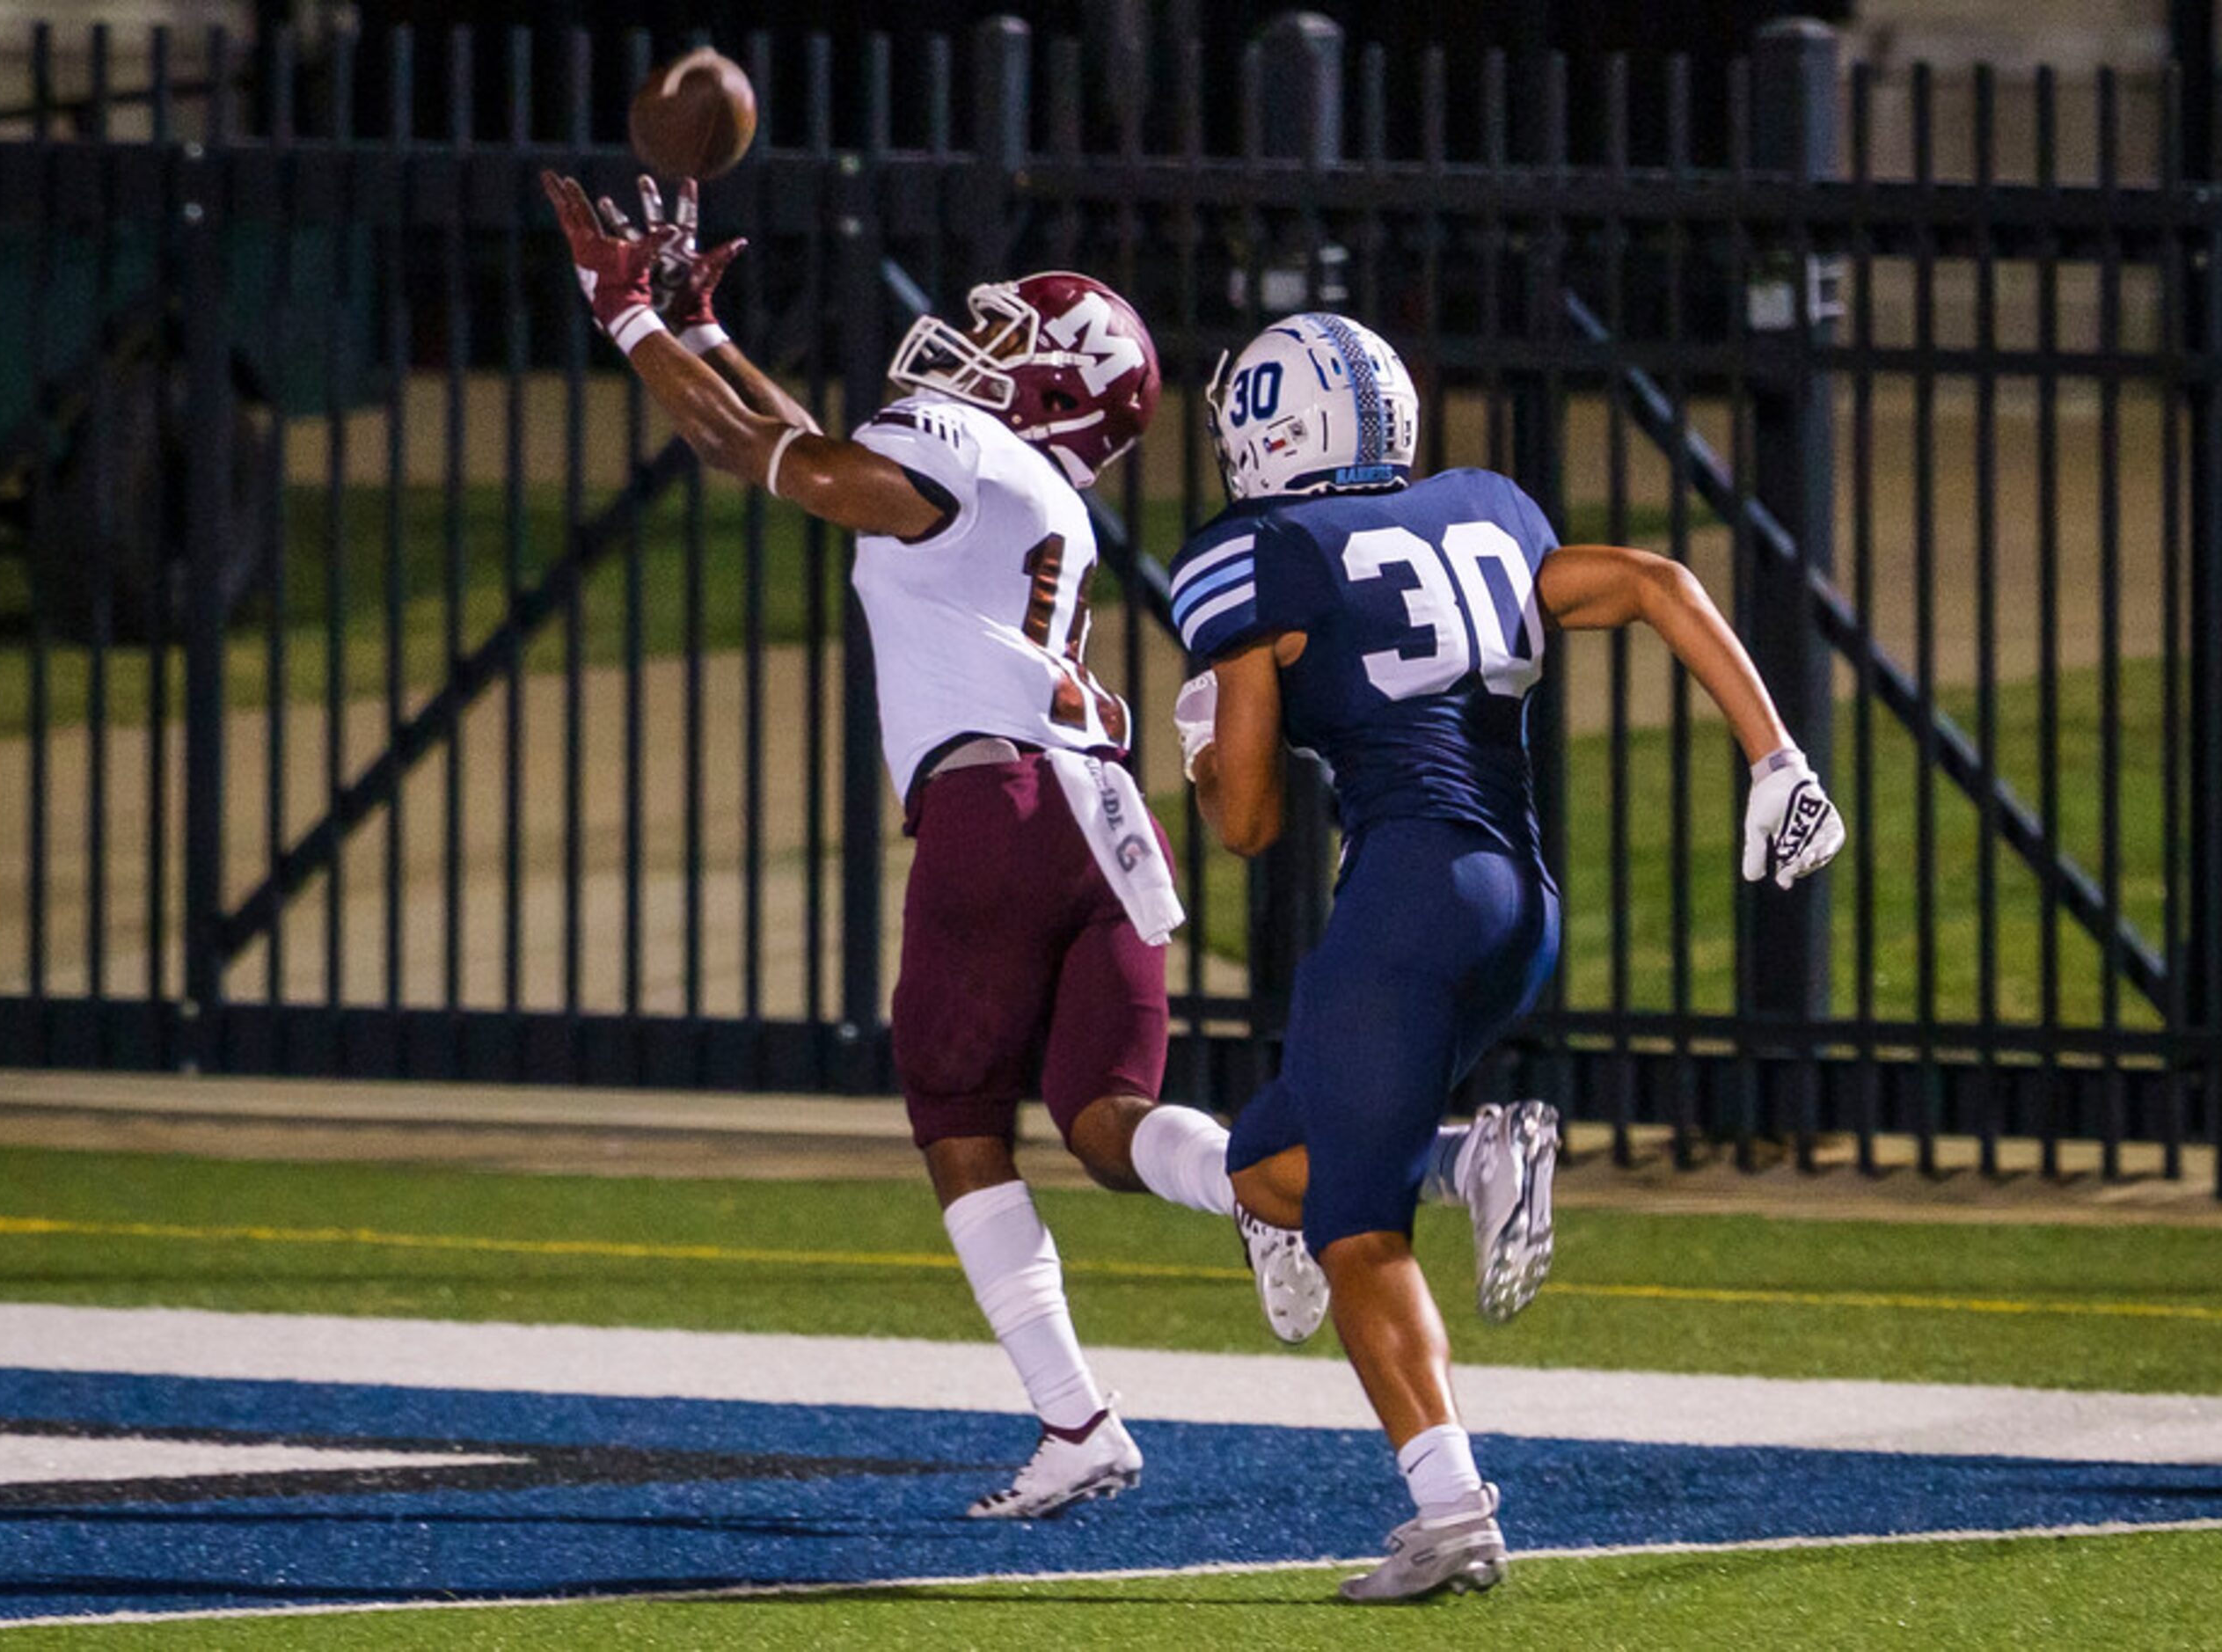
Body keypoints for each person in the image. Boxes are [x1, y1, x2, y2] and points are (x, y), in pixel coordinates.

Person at [541, 171, 1326, 1518]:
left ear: (1060, 390)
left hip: (997, 813)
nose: (984, 345)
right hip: (1108, 820)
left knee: (960, 1119)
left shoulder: (969, 460)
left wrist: (626, 318)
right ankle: (1270, 1185)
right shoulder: (1039, 495)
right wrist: (709, 333)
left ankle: (1078, 1419)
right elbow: (810, 449)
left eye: (1017, 340)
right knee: (1104, 1120)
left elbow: (765, 458)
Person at [1171, 312, 1846, 1602]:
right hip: (1514, 908)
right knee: (1266, 1167)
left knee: (1352, 1227)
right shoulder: (1483, 507)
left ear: (1266, 432)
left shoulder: (1259, 555)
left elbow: (1249, 823)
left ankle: (1452, 1512)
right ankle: (1468, 1155)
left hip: (1405, 901)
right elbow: (1657, 579)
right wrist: (1777, 758)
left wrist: (1204, 749)